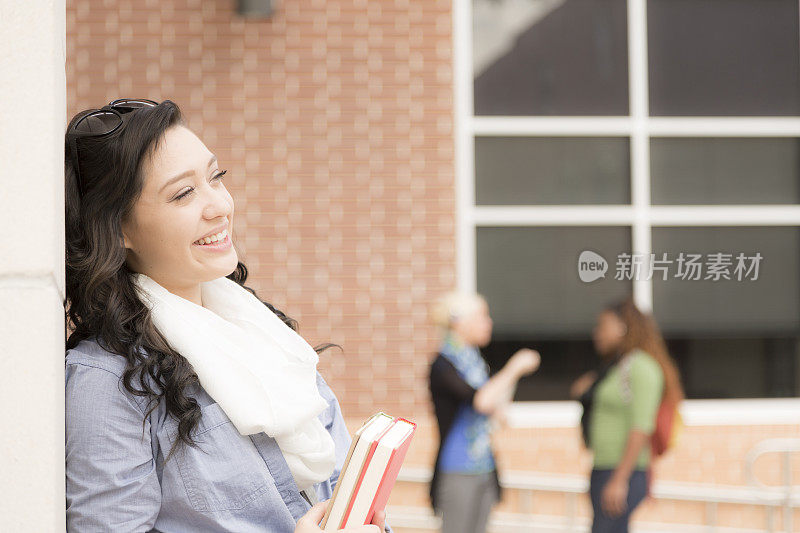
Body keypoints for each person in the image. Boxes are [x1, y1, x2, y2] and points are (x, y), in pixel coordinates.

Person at [64, 98, 390, 533]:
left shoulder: (266, 335)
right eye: (183, 193)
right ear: (118, 229)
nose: (218, 205)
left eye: (215, 178)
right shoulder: (109, 381)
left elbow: (327, 492)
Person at [427, 291, 540, 533]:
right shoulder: (443, 365)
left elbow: (495, 408)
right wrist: (515, 368)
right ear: (459, 322)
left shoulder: (474, 362)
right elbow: (481, 401)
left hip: (485, 466)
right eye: (482, 316)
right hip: (457, 469)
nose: (488, 323)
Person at [570, 297, 684, 533]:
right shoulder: (616, 367)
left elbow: (642, 426)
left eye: (603, 326)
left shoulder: (641, 367)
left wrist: (619, 480)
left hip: (623, 471)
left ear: (623, 328)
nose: (597, 333)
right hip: (605, 467)